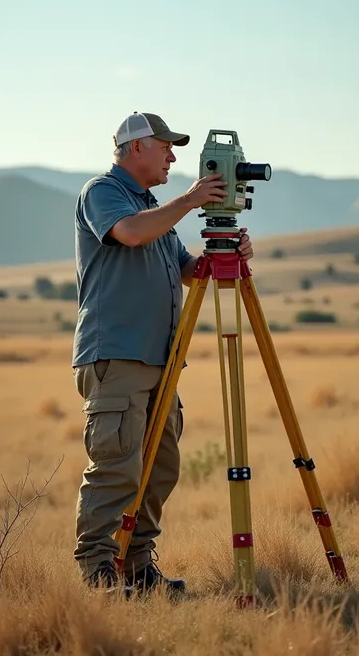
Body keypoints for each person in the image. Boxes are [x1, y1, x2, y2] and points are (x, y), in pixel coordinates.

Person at [72, 112, 254, 597]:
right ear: (136, 148)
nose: (173, 156)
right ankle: (98, 572)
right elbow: (128, 233)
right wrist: (190, 200)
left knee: (159, 465)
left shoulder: (156, 209)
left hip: (160, 360)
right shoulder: (104, 193)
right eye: (165, 146)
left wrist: (224, 254)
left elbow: (188, 270)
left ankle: (137, 566)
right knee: (118, 465)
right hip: (117, 354)